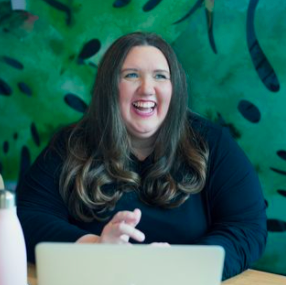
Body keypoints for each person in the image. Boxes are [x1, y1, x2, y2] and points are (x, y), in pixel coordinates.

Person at [17, 32, 267, 280]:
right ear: (109, 87)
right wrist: (94, 247)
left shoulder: (214, 145)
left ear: (174, 88)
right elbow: (29, 218)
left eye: (160, 76)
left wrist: (185, 266)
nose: (147, 89)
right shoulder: (71, 144)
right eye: (131, 75)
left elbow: (247, 229)